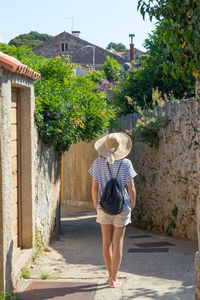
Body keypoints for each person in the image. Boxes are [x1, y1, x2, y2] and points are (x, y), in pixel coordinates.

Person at [88, 132, 137, 288]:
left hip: (104, 207)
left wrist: (97, 206)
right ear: (120, 148)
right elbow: (131, 188)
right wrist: (132, 204)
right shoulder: (126, 164)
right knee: (118, 242)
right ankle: (114, 279)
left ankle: (109, 276)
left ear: (105, 147)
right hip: (122, 208)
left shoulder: (97, 163)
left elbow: (94, 188)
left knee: (106, 242)